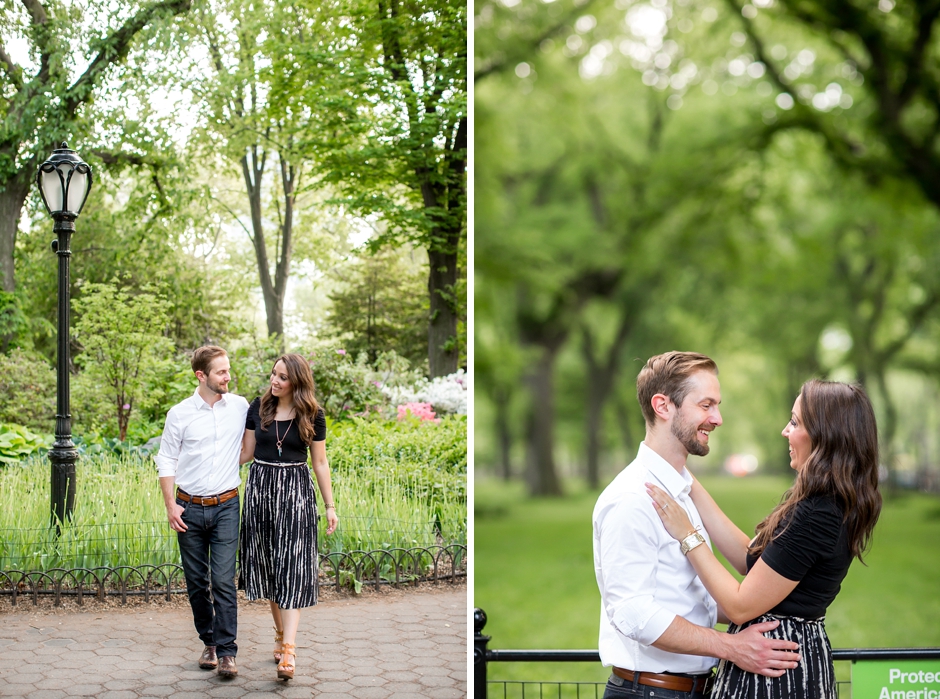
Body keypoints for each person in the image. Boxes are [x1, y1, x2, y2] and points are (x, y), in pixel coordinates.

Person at [646, 379, 882, 699]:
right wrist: (684, 479)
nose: (785, 431)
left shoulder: (818, 512)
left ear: (826, 435)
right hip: (780, 662)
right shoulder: (824, 501)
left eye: (796, 422)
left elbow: (740, 605)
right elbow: (751, 560)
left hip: (776, 674)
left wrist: (688, 533)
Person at [593, 351, 802, 699]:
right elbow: (633, 612)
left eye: (717, 406)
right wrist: (731, 647)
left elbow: (685, 595)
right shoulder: (631, 497)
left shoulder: (680, 491)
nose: (717, 418)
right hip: (650, 693)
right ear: (663, 406)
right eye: (706, 405)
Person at [238, 353, 339, 681]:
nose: (275, 381)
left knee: (292, 569)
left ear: (297, 381)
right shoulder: (259, 408)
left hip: (296, 494)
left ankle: (290, 650)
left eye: (282, 377)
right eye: (273, 374)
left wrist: (330, 506)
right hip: (260, 492)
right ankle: (281, 637)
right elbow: (246, 453)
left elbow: (320, 463)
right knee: (269, 569)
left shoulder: (313, 414)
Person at [156, 345, 249, 679]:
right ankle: (208, 642)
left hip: (226, 505)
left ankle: (226, 652)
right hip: (188, 508)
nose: (228, 376)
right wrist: (170, 505)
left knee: (223, 580)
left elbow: (254, 441)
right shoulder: (179, 413)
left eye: (228, 370)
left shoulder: (239, 407)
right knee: (197, 583)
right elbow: (166, 459)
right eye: (221, 372)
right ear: (201, 376)